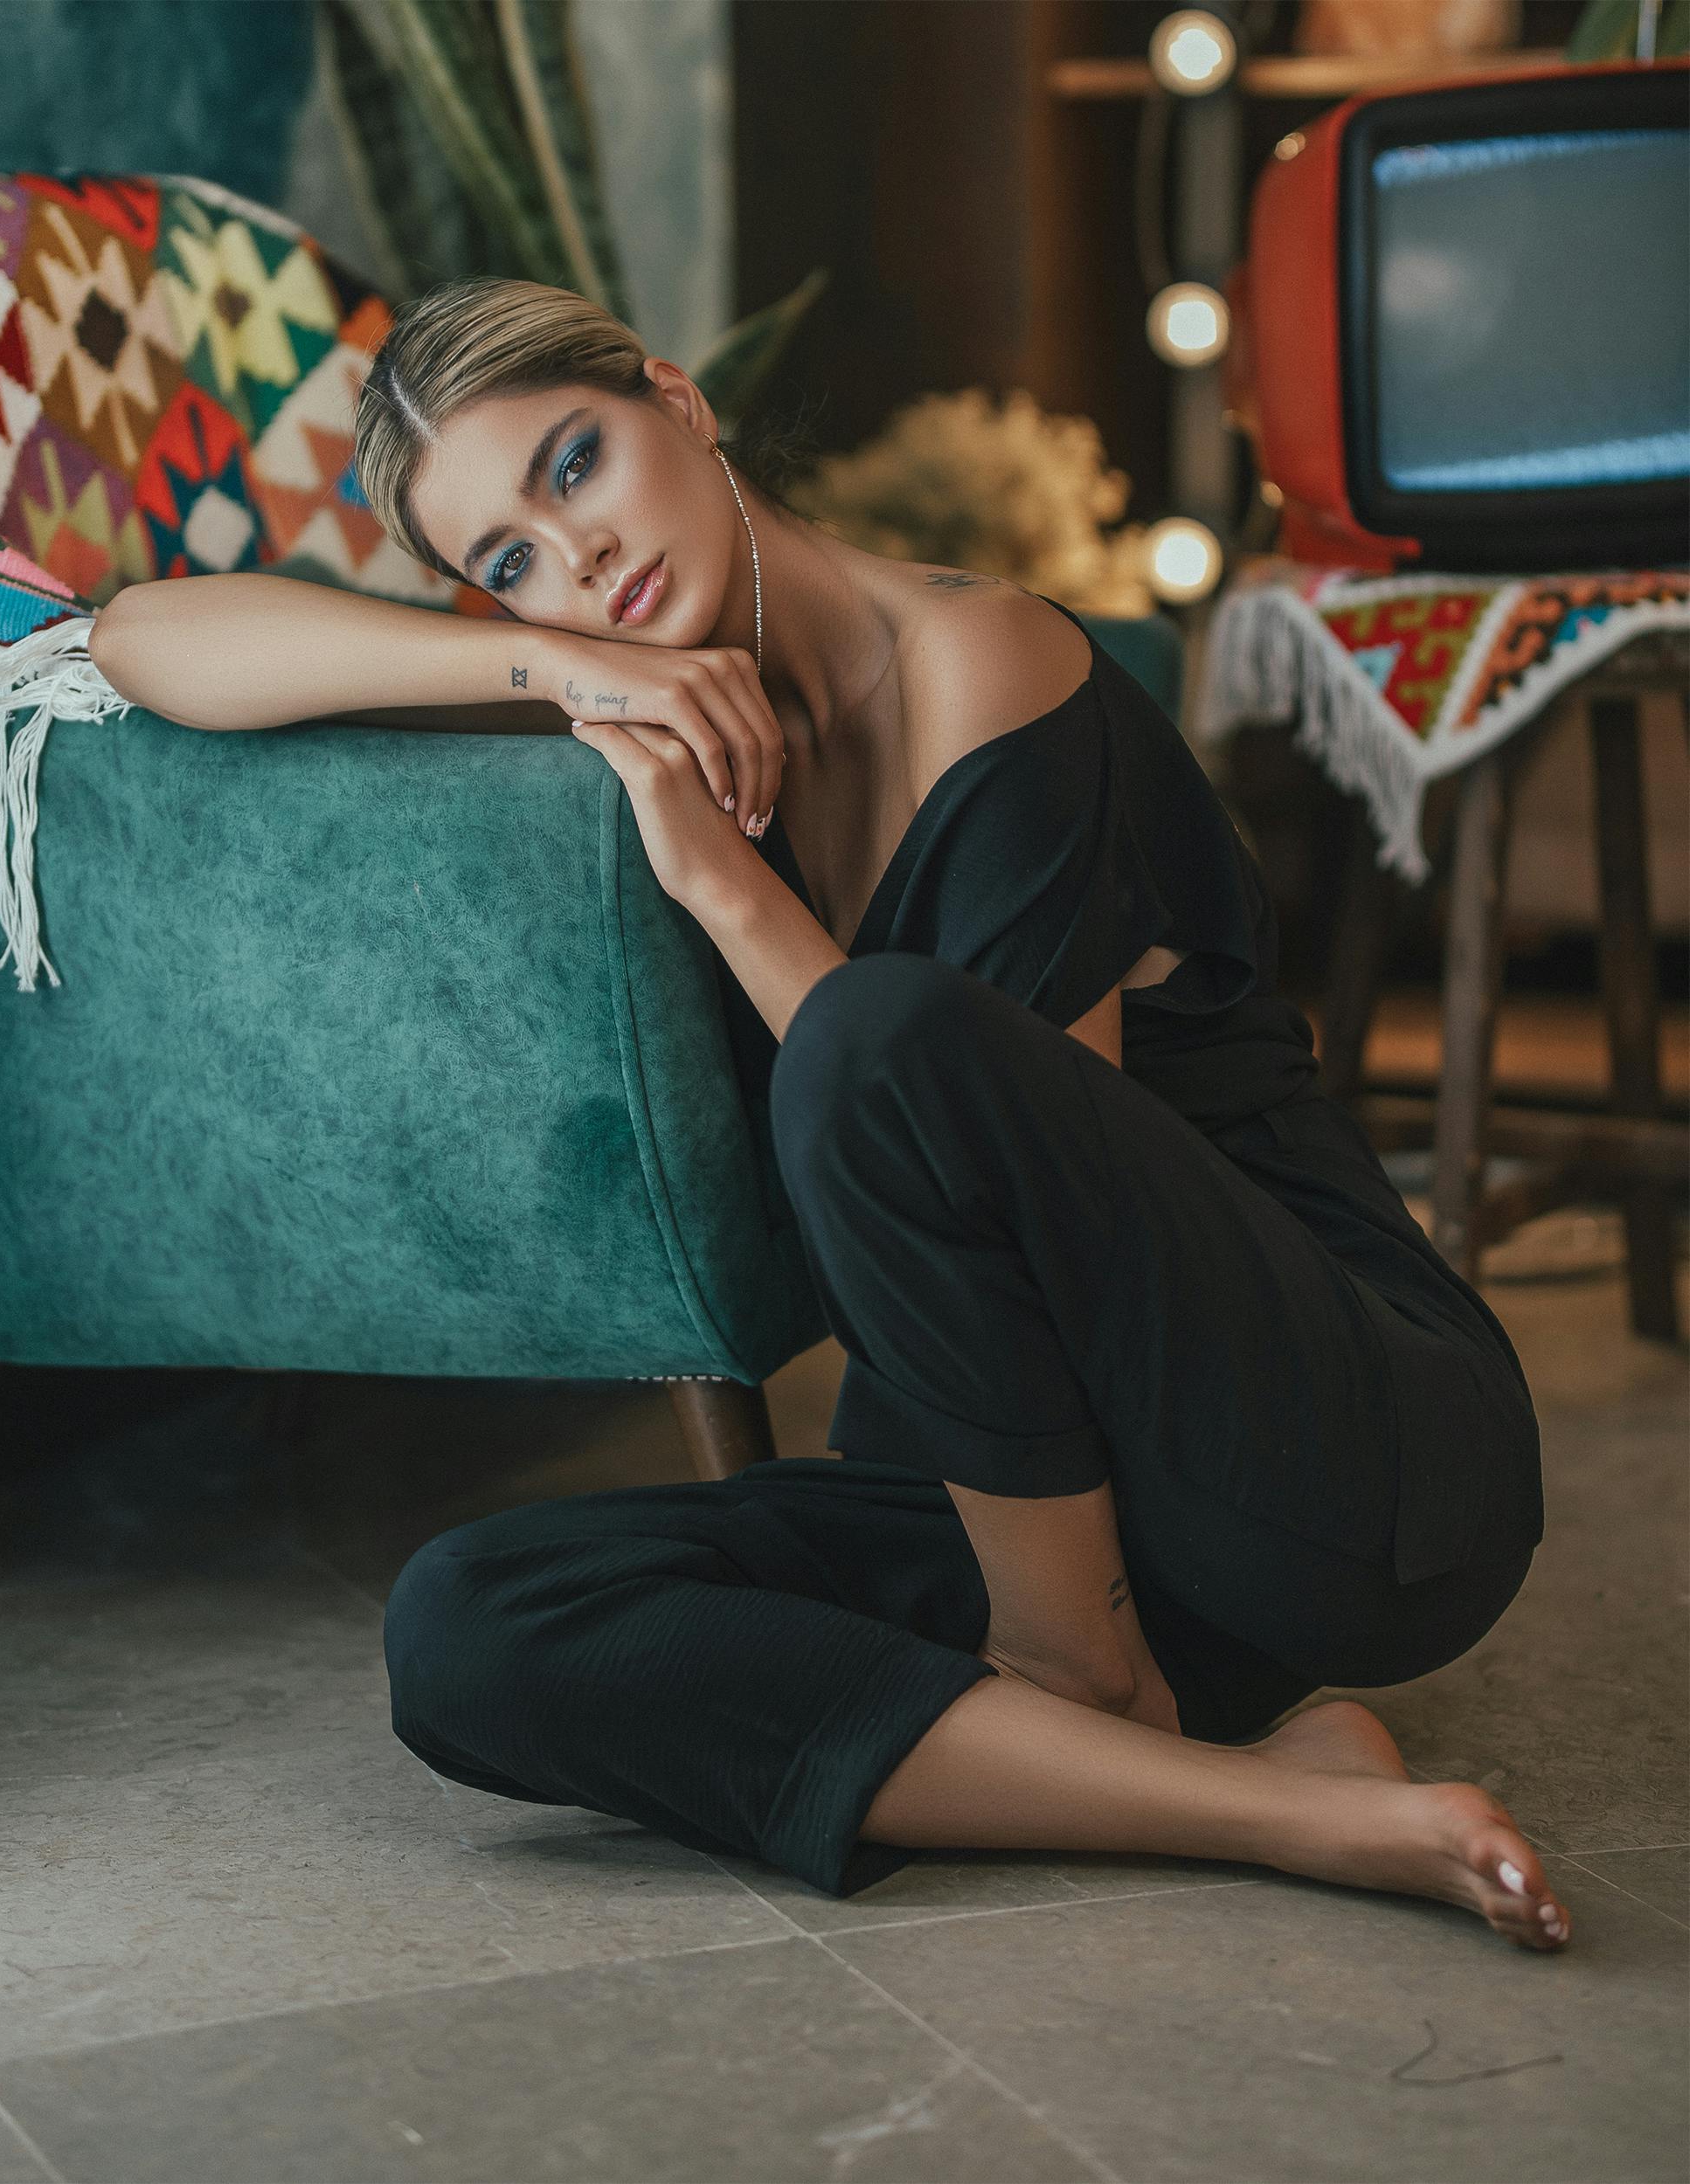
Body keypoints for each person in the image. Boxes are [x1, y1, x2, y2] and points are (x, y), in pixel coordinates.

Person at [97, 276, 1568, 1949]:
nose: (574, 556)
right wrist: (542, 663)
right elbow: (144, 637)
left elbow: (1007, 1212)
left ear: (678, 399)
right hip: (1027, 1500)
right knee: (469, 1622)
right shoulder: (631, 681)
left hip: (1339, 1444)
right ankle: (1283, 1798)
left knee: (874, 1035)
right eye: (506, 553)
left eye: (575, 465)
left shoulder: (989, 661)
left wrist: (736, 901)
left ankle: (1081, 1687)